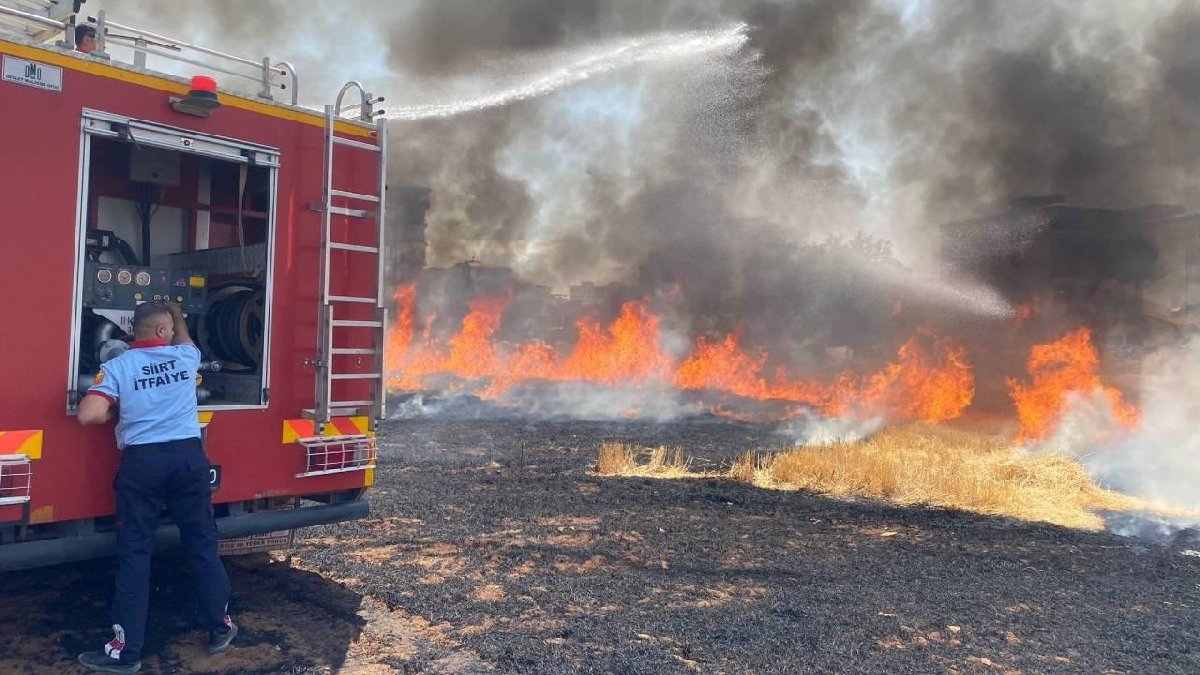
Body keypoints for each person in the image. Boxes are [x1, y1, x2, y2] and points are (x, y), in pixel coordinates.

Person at [76, 302, 236, 673]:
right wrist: (178, 315)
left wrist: (121, 407)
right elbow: (184, 337)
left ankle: (125, 653)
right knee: (202, 545)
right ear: (164, 331)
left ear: (136, 330)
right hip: (188, 459)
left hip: (143, 463)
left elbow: (90, 415)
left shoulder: (117, 366)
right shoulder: (185, 357)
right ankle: (219, 628)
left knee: (135, 554)